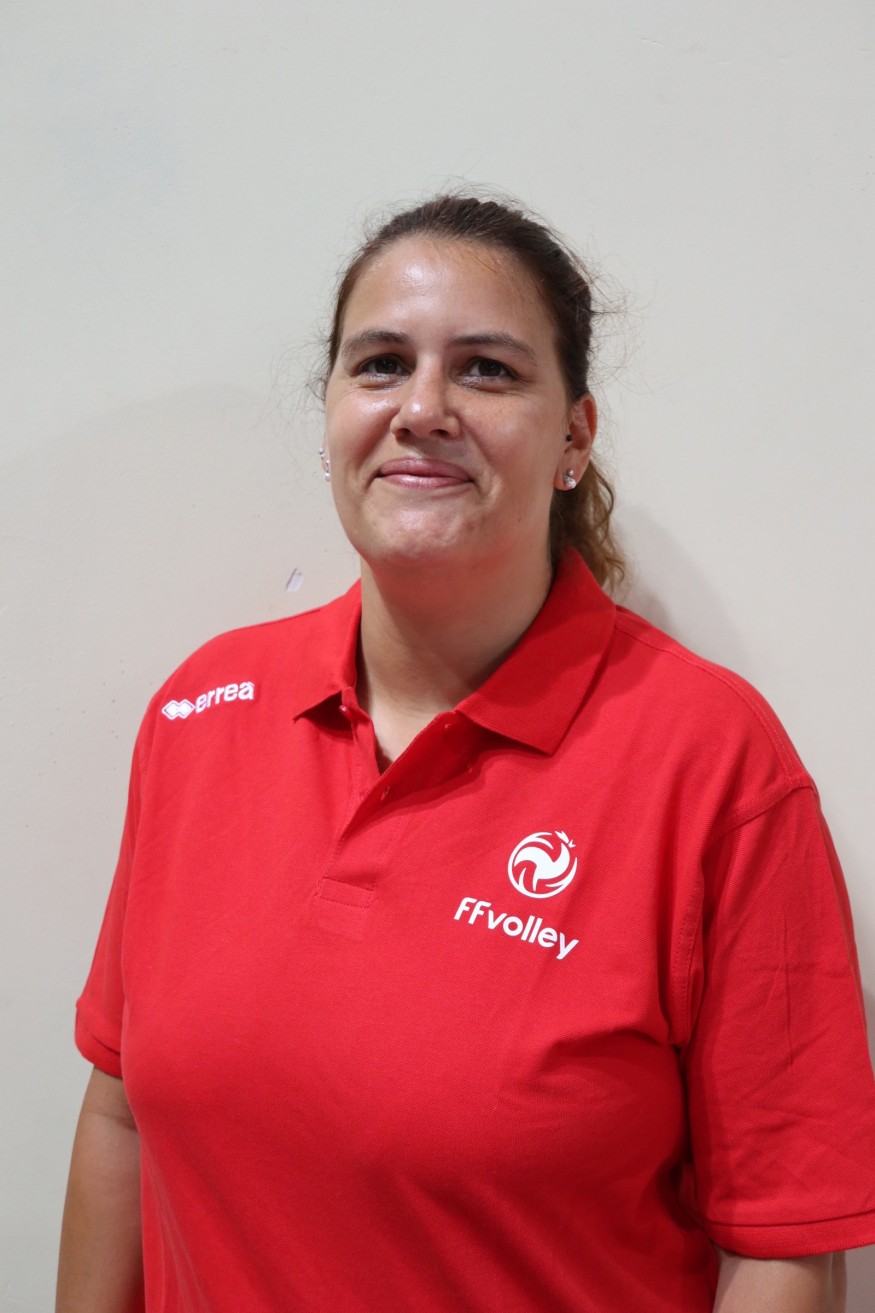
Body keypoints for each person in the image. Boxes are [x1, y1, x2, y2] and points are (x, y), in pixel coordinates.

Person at [58, 194, 875, 1313]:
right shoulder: (201, 712)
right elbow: (120, 1109)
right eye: (380, 364)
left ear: (572, 438)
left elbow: (779, 1239)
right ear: (332, 413)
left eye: (486, 370)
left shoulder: (714, 766)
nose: (422, 409)